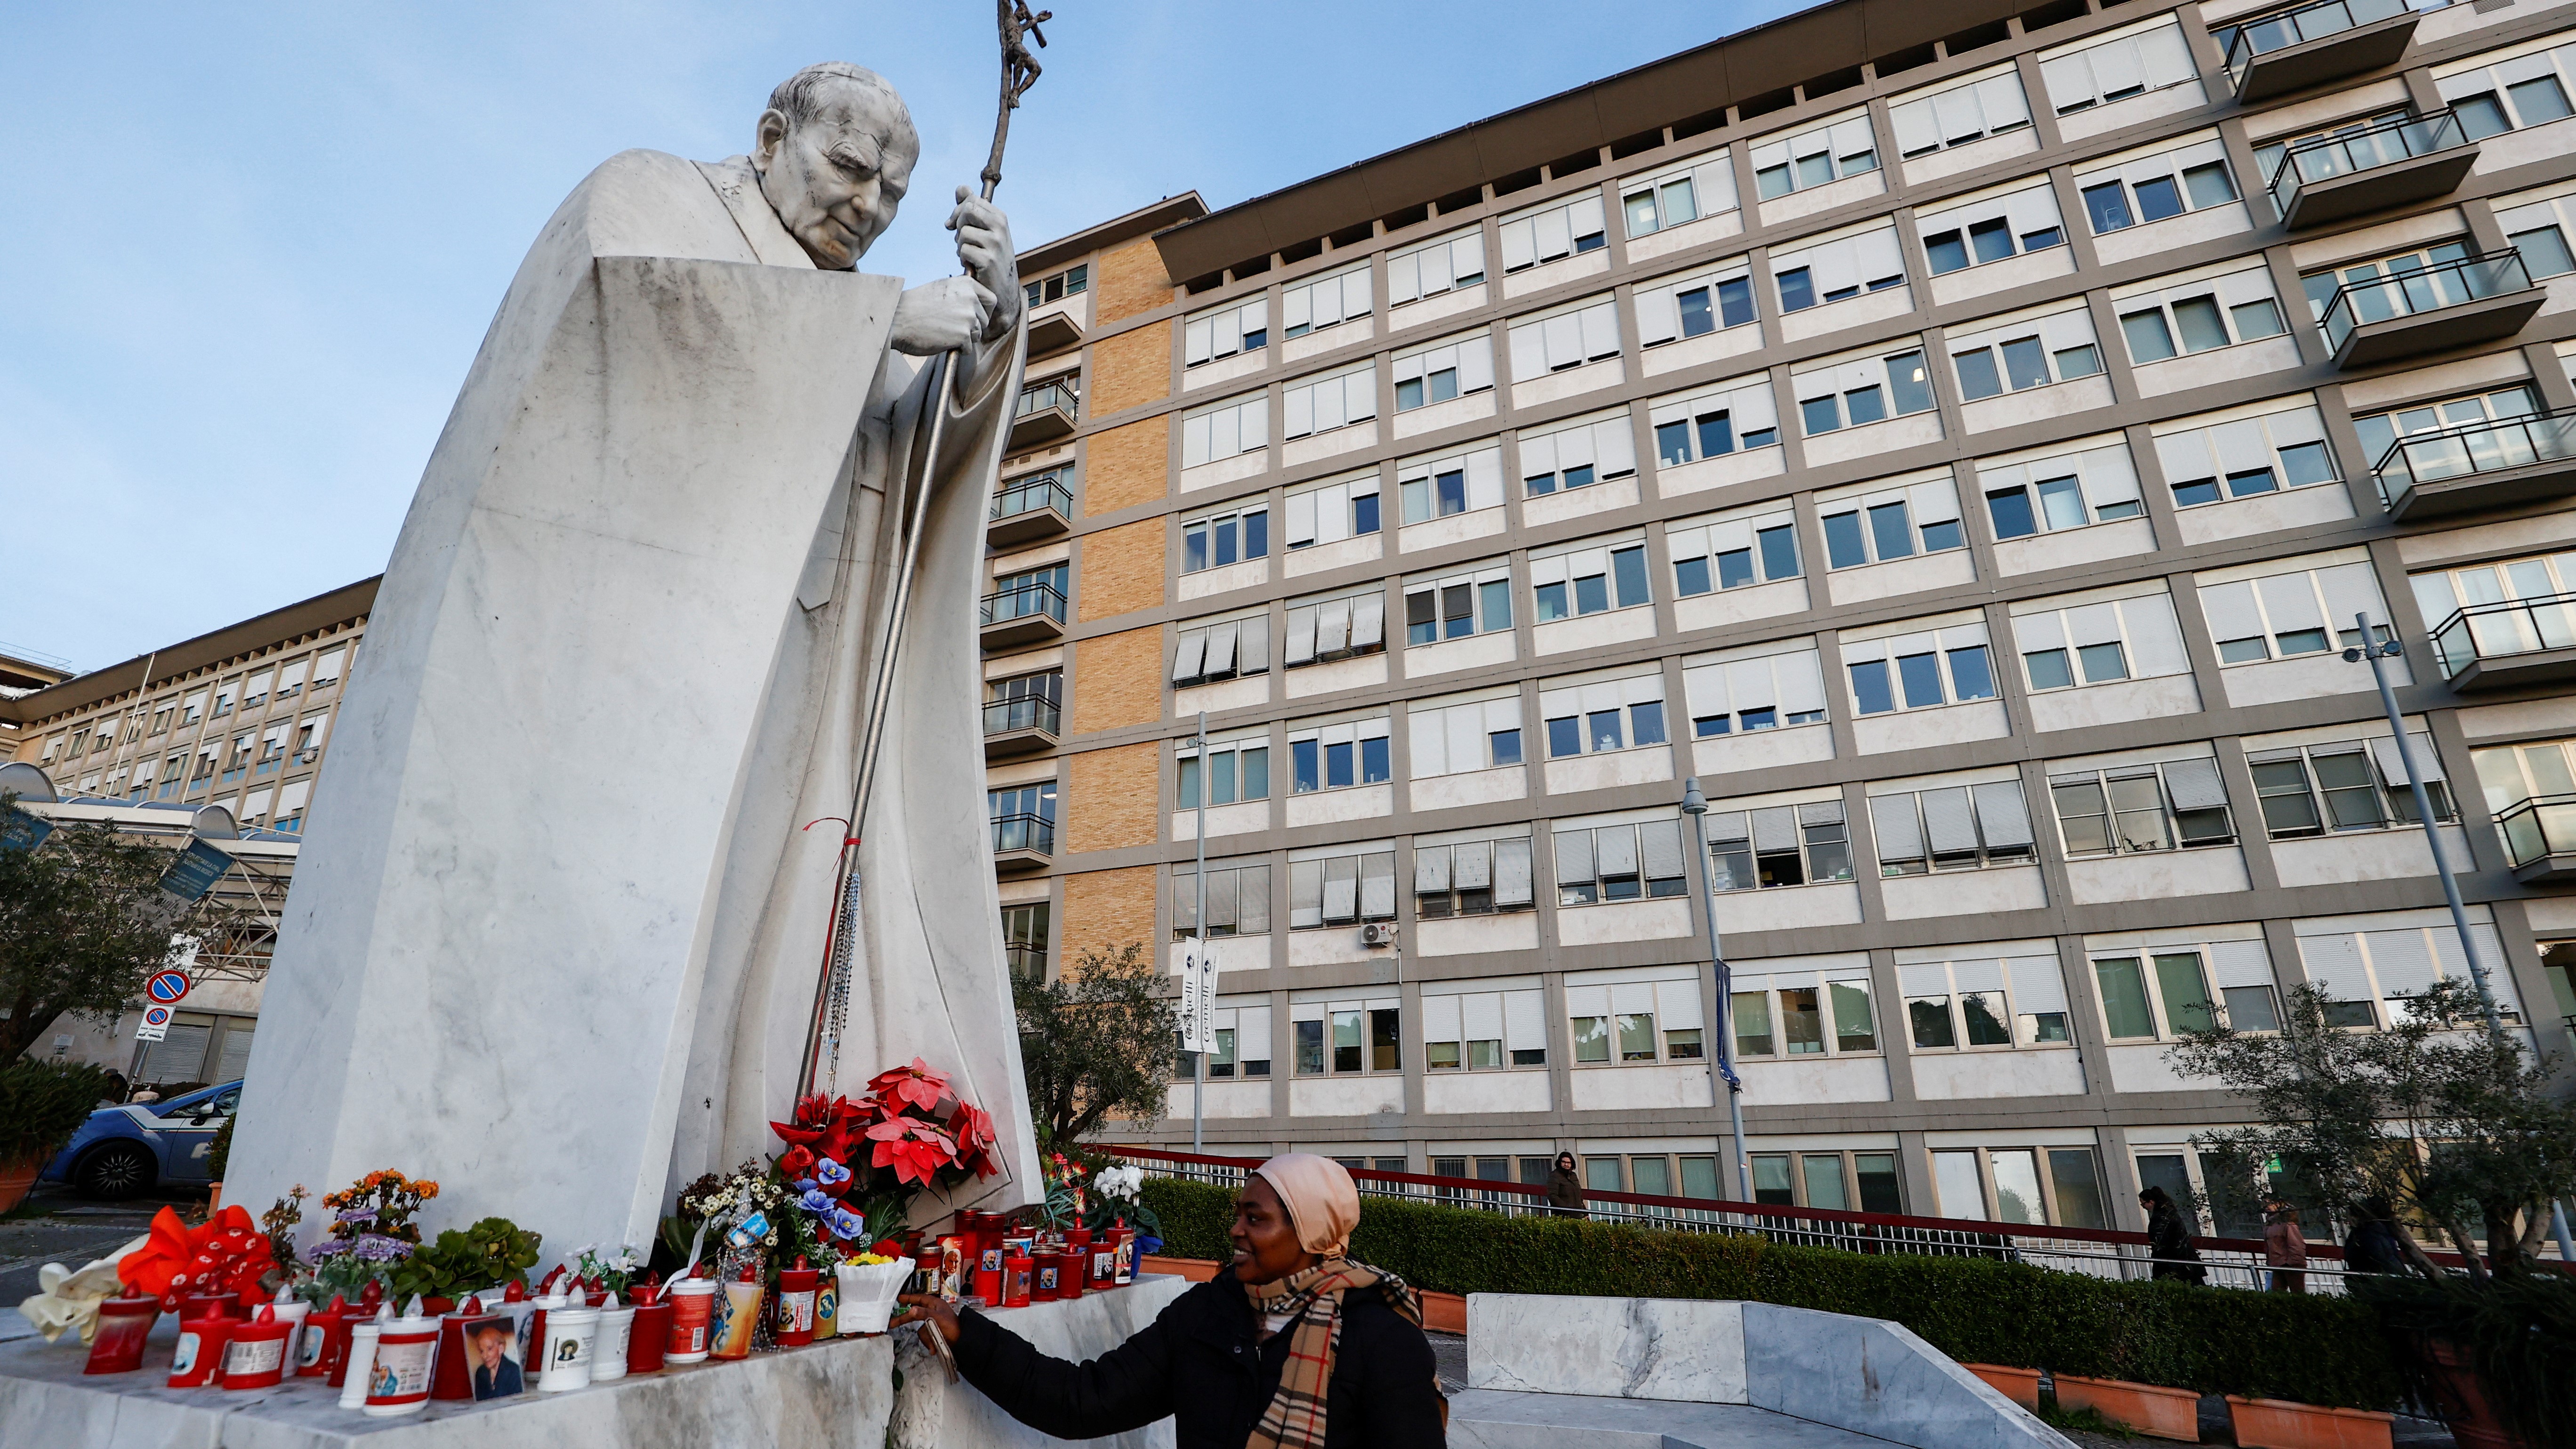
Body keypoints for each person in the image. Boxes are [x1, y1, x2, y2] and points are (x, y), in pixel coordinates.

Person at [897, 1153, 1446, 1447]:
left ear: (1313, 1236)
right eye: (1237, 1214)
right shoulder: (1206, 1315)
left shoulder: (1381, 1339)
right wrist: (969, 1335)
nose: (1235, 1230)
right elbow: (1084, 1399)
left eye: (1256, 1219)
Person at [2139, 1186, 2206, 1285]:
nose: (2143, 1207)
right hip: (2186, 1259)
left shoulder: (2159, 1219)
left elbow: (2160, 1243)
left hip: (2173, 1263)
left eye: (2143, 1204)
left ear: (2151, 1202)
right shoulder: (2171, 1213)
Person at [2343, 1196, 2408, 1276]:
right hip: (2381, 1277)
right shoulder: (2380, 1231)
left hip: (2377, 1279)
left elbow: (2381, 1259)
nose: (2349, 1221)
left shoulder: (2367, 1235)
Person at [467, 1320, 523, 1399]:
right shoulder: (481, 1372)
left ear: (501, 1349)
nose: (485, 1356)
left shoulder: (514, 1371)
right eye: (482, 1351)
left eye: (489, 1349)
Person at [2262, 1198, 2308, 1294]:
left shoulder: (2288, 1225)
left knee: (2297, 1293)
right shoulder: (2270, 1224)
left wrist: (2293, 1263)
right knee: (2277, 1293)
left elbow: (2296, 1246)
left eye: (2270, 1204)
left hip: (2290, 1265)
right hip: (2277, 1264)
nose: (2266, 1206)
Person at [1545, 1152, 1585, 1218]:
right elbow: (1552, 1196)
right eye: (1564, 1162)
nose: (1566, 1165)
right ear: (1560, 1163)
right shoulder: (1554, 1176)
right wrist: (1566, 1209)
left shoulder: (1573, 1176)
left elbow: (1579, 1197)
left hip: (1578, 1215)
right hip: (1562, 1216)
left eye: (1569, 1163)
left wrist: (1585, 1213)